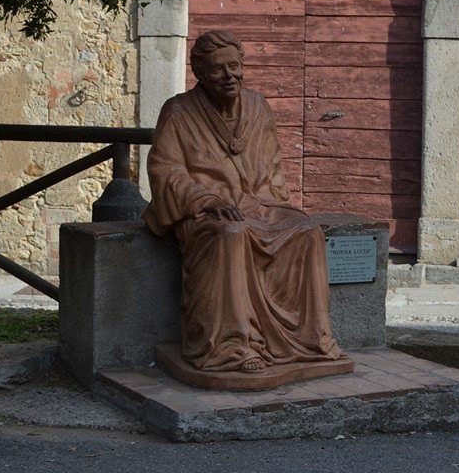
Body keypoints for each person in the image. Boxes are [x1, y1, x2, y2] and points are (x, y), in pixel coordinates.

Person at [142, 30, 344, 373]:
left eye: (234, 66)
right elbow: (165, 169)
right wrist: (205, 198)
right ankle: (233, 346)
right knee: (231, 234)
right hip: (206, 212)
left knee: (308, 232)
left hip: (258, 205)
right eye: (218, 69)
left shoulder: (257, 106)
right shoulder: (178, 112)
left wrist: (268, 202)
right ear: (200, 74)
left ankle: (310, 339)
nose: (228, 75)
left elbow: (273, 169)